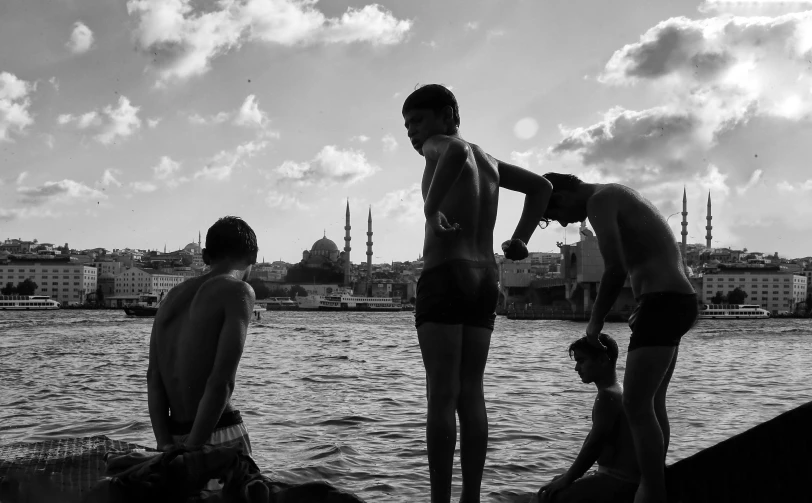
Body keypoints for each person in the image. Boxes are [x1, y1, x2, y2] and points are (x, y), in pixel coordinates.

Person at [402, 84, 553, 503]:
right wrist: (520, 240)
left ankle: (439, 501)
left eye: (417, 121)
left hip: (446, 272)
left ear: (448, 114)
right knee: (472, 391)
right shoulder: (490, 161)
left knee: (441, 394)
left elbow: (453, 153)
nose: (413, 133)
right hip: (486, 277)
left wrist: (431, 211)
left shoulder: (444, 144)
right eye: (407, 126)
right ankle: (472, 496)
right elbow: (541, 187)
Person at [540, 173, 697, 503]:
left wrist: (594, 323)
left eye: (556, 214)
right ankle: (650, 479)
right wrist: (646, 301)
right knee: (652, 403)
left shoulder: (599, 200)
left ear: (562, 195)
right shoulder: (618, 194)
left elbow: (614, 268)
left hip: (662, 301)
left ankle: (651, 490)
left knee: (636, 404)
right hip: (674, 299)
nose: (564, 221)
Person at [148, 216, 258, 457]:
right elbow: (221, 381)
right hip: (217, 434)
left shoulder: (170, 298)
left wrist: (165, 445)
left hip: (172, 435)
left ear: (206, 257)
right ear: (254, 257)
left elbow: (154, 378)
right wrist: (193, 447)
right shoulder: (238, 290)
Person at [537, 334, 639, 503]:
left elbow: (594, 446)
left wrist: (568, 479)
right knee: (556, 481)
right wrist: (570, 475)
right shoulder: (618, 390)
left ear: (602, 360)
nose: (577, 368)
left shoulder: (607, 397)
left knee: (546, 497)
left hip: (619, 480)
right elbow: (593, 438)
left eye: (581, 361)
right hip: (622, 477)